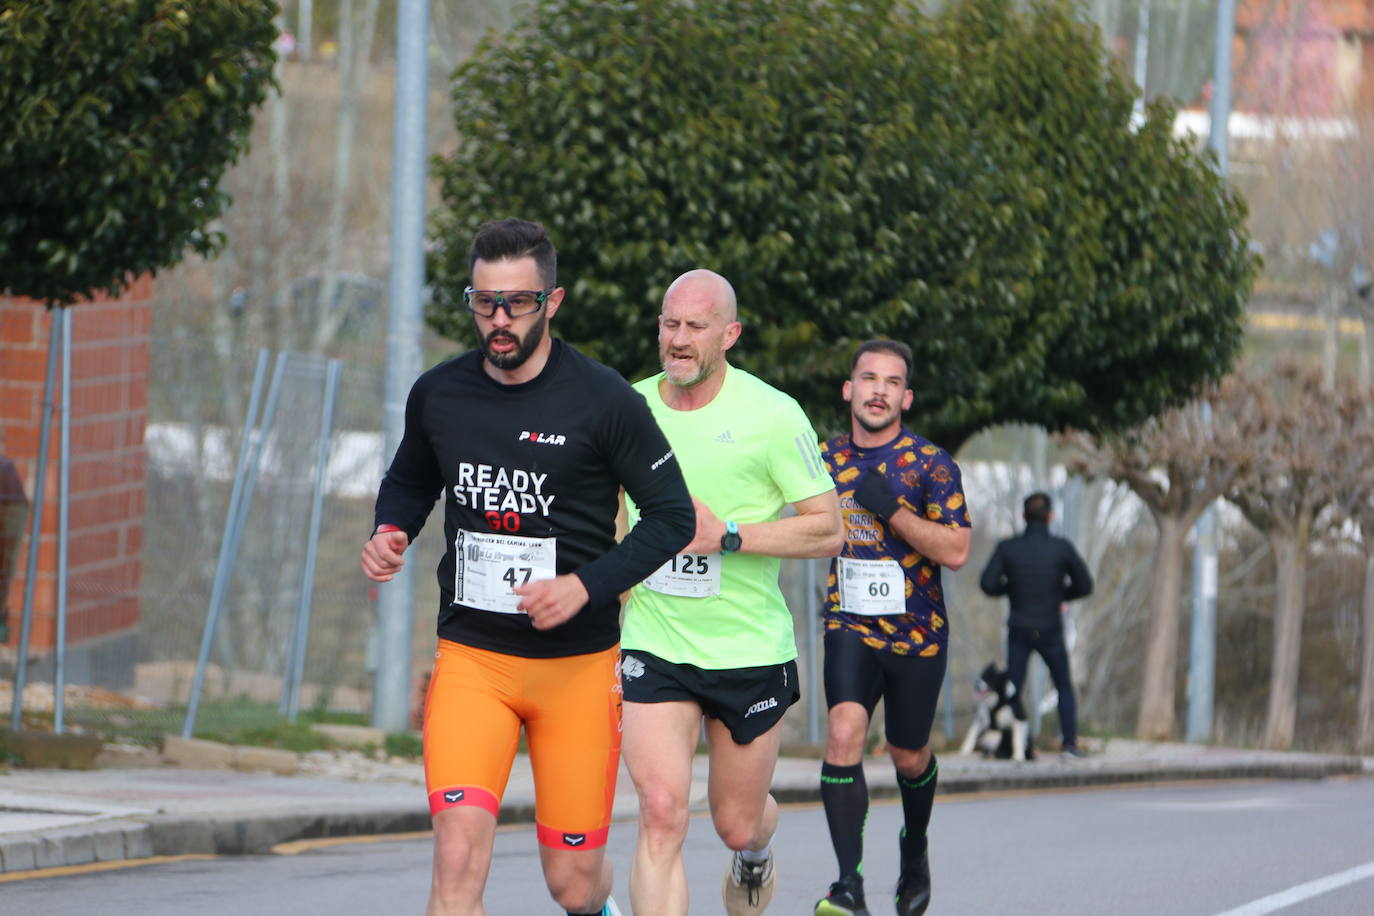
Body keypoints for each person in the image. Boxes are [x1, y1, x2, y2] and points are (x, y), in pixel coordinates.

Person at [360, 218, 695, 916]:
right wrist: (390, 529)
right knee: (456, 855)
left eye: (518, 303)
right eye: (485, 303)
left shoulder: (605, 401)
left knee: (571, 884)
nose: (500, 321)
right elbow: (410, 479)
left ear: (553, 301)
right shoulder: (439, 392)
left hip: (576, 667)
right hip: (473, 661)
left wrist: (585, 585)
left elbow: (673, 517)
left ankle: (598, 907)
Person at [618, 269, 843, 916]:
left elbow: (827, 529)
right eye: (669, 323)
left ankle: (756, 851)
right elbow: (612, 513)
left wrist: (730, 536)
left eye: (695, 326)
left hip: (747, 649)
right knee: (661, 812)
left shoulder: (772, 415)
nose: (679, 339)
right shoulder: (629, 408)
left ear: (730, 334)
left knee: (736, 822)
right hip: (653, 642)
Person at [813, 339, 972, 916]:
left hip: (918, 634)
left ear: (906, 396)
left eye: (891, 381)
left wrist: (895, 512)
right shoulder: (823, 460)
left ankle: (915, 848)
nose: (878, 389)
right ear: (848, 390)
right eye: (868, 378)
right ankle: (848, 886)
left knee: (908, 754)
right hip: (848, 624)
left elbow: (956, 549)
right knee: (843, 735)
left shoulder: (932, 463)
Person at [978, 491, 1094, 759]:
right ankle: (1068, 744)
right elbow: (1085, 584)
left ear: (1023, 516)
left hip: (1019, 626)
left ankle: (1009, 745)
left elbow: (987, 583)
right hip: (1050, 627)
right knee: (1063, 684)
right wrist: (1061, 595)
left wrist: (1012, 589)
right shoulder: (1061, 547)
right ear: (1050, 517)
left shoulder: (1009, 548)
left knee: (1013, 687)